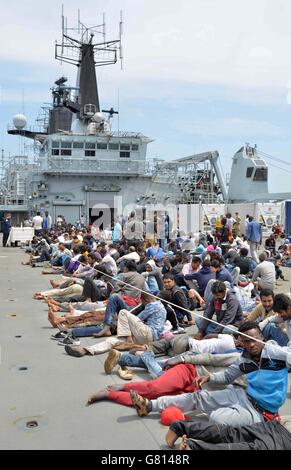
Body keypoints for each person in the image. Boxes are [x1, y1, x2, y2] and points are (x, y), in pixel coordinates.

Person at [131, 322, 291, 426]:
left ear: (261, 337)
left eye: (255, 339)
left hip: (261, 412)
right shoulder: (243, 360)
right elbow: (227, 377)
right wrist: (209, 377)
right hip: (244, 396)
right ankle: (150, 405)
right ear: (241, 342)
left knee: (216, 418)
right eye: (247, 341)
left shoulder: (278, 354)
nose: (252, 344)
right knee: (200, 397)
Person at [166, 418, 291, 450]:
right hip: (286, 437)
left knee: (233, 434)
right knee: (249, 448)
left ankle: (181, 427)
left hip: (279, 424)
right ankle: (195, 448)